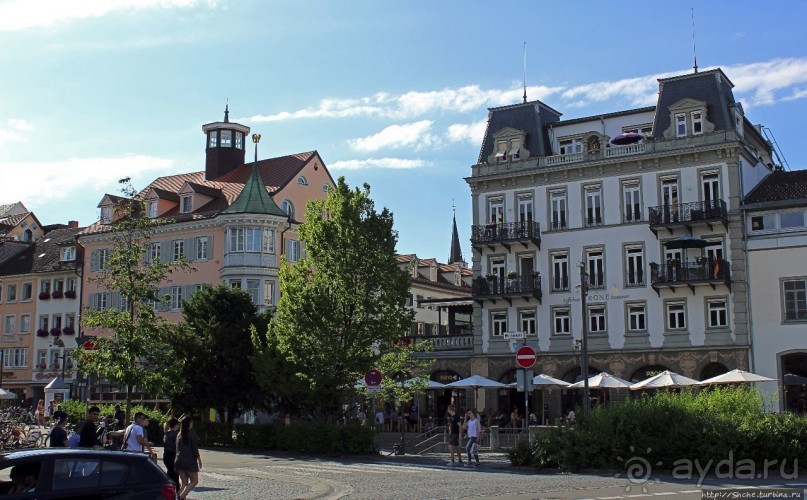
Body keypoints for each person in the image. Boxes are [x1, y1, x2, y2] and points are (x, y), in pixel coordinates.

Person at [175, 417, 202, 500]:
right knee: (194, 481)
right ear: (190, 423)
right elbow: (194, 448)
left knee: (184, 483)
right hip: (189, 461)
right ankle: (181, 497)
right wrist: (199, 460)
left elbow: (176, 449)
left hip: (179, 461)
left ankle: (176, 496)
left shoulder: (179, 434)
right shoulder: (191, 433)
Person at [163, 418, 180, 492]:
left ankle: (169, 489)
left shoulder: (167, 433)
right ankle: (177, 492)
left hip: (166, 455)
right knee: (175, 474)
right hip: (173, 455)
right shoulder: (176, 434)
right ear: (176, 425)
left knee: (170, 473)